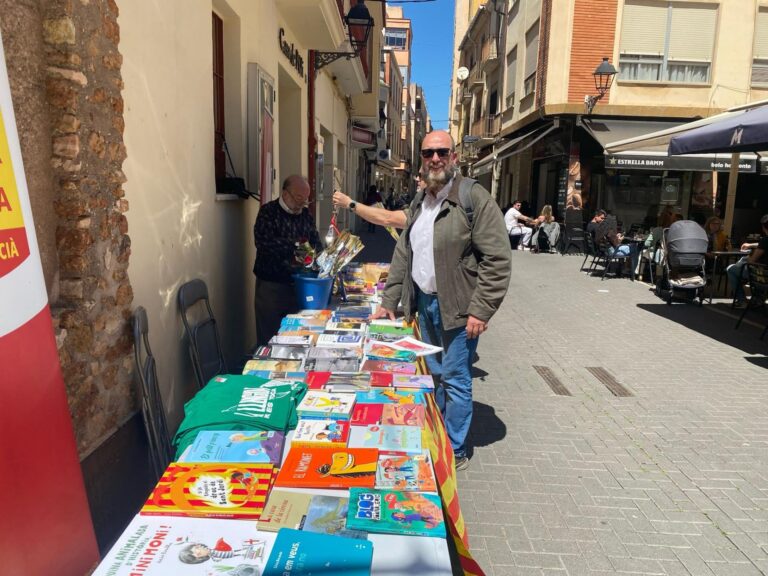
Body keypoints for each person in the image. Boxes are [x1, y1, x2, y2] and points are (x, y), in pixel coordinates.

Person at [371, 130, 512, 471]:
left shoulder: (472, 197)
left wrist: (481, 309)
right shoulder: (422, 200)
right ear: (421, 159)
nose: (434, 158)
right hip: (425, 303)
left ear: (453, 156)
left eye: (441, 152)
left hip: (459, 307)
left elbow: (498, 258)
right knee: (434, 375)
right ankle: (436, 432)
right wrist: (391, 298)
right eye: (428, 153)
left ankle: (454, 449)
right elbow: (405, 251)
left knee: (455, 377)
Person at [253, 175, 322, 345]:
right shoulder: (268, 212)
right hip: (272, 285)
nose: (303, 203)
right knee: (269, 336)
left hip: (300, 285)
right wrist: (299, 246)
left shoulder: (305, 214)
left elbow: (315, 244)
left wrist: (313, 253)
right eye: (299, 198)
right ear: (285, 194)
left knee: (296, 336)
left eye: (306, 199)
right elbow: (266, 244)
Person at [726, 214, 768, 307]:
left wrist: (747, 258)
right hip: (764, 274)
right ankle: (758, 298)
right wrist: (750, 245)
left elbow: (752, 261)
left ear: (763, 228)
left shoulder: (765, 240)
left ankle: (741, 300)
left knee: (731, 269)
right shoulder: (764, 241)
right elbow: (762, 244)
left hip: (762, 276)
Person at [588, 209, 639, 276]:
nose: (602, 220)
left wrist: (615, 237)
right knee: (634, 248)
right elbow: (616, 244)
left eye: (604, 219)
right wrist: (619, 239)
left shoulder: (600, 229)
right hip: (611, 252)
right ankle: (632, 272)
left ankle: (624, 269)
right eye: (602, 218)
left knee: (630, 247)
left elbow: (608, 239)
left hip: (603, 249)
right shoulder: (605, 230)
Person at [333, 189, 408, 229]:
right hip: (373, 209)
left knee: (373, 221)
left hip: (372, 208)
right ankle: (371, 229)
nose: (417, 178)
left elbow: (387, 218)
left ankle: (370, 228)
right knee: (373, 221)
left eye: (420, 176)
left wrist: (349, 203)